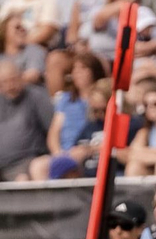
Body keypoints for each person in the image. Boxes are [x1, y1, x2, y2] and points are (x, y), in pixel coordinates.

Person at [28, 51, 107, 182]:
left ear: (94, 71)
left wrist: (88, 149)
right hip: (66, 152)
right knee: (38, 166)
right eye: (75, 69)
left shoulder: (100, 100)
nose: (78, 73)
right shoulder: (65, 99)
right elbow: (54, 132)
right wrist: (58, 153)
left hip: (89, 147)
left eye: (83, 68)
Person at [0, 59, 53, 181]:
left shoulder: (36, 97)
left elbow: (52, 128)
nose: (10, 86)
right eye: (4, 82)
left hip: (27, 161)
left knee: (22, 179)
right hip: (2, 165)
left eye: (13, 80)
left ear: (21, 77)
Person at [0, 12, 45, 85]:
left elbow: (33, 75)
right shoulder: (1, 56)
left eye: (24, 28)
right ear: (4, 31)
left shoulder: (34, 50)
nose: (22, 30)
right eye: (17, 27)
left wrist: (7, 81)